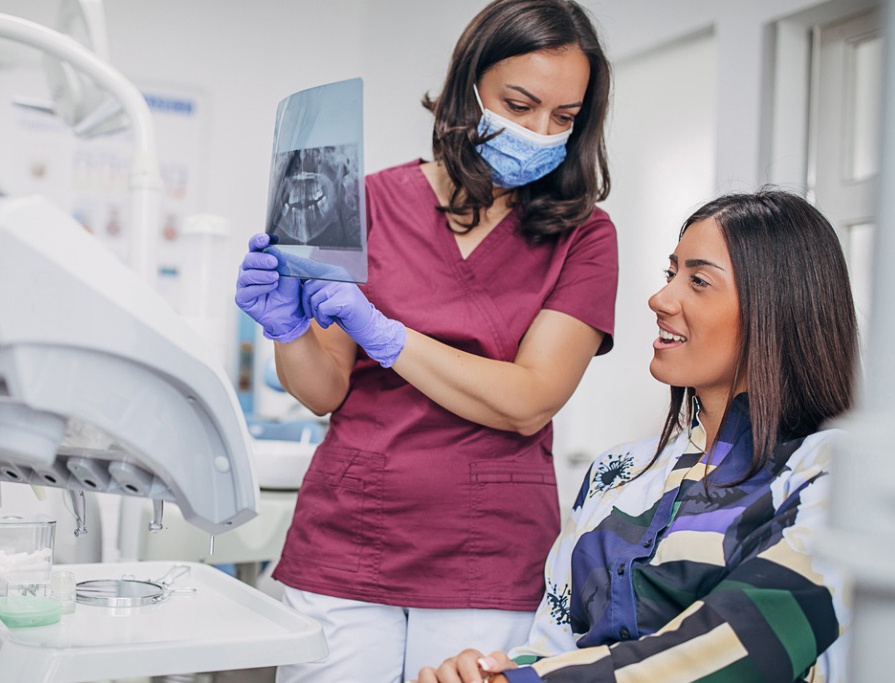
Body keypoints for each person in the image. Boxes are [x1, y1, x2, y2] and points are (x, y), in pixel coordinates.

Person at [235, 1, 616, 680]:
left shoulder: (583, 235)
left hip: (486, 552)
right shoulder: (360, 201)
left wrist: (386, 335)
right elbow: (323, 389)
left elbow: (529, 399)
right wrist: (288, 329)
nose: (537, 132)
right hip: (349, 536)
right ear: (467, 86)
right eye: (519, 104)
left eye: (564, 118)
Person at [417, 189, 859, 683]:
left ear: (777, 308)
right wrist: (494, 669)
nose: (660, 299)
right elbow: (554, 644)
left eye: (698, 280)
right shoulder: (617, 472)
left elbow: (743, 645)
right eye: (671, 274)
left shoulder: (836, 476)